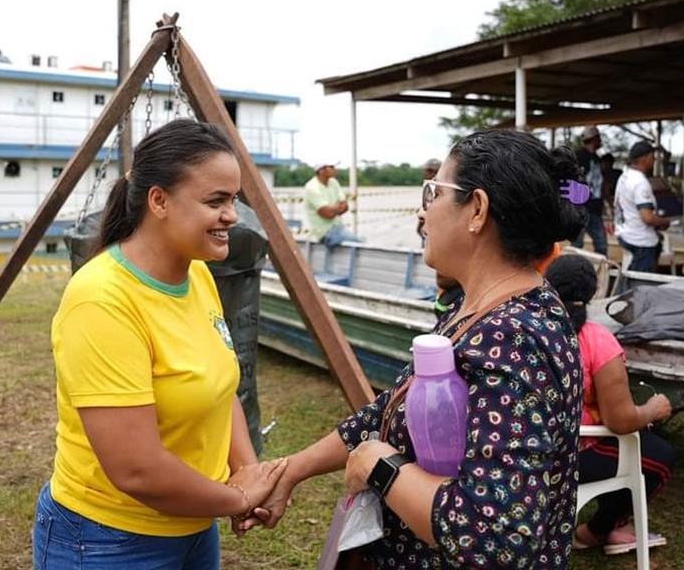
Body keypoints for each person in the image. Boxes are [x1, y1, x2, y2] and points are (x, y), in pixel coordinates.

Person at [244, 130, 588, 569]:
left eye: (434, 193)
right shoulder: (477, 308)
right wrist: (289, 470)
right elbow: (393, 409)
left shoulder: (513, 338)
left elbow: (494, 539)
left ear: (477, 210)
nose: (423, 212)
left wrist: (380, 465)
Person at [32, 119, 287, 569]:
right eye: (216, 201)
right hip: (108, 540)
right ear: (159, 201)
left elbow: (218, 386)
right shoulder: (102, 299)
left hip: (192, 526)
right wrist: (237, 496)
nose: (231, 215)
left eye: (233, 199)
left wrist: (247, 471)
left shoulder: (198, 276)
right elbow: (136, 469)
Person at [544, 255, 676, 556]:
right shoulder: (595, 338)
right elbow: (621, 421)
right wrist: (654, 409)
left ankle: (611, 527)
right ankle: (596, 531)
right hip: (569, 452)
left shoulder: (531, 329)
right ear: (592, 292)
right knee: (659, 456)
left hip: (524, 446)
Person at [614, 140, 671, 272]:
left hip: (624, 233)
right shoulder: (640, 182)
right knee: (641, 285)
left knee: (631, 278)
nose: (655, 159)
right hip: (639, 241)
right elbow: (648, 218)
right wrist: (664, 221)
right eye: (652, 156)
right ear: (644, 159)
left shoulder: (624, 177)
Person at [303, 162, 361, 247]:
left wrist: (333, 209)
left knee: (361, 240)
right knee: (358, 243)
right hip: (324, 233)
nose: (335, 169)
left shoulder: (333, 182)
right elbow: (327, 214)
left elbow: (345, 206)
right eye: (331, 167)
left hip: (339, 228)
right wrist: (338, 207)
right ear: (321, 171)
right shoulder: (311, 187)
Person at [572, 126, 608, 256]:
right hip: (581, 208)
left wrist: (605, 202)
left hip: (594, 207)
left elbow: (601, 183)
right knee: (577, 244)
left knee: (601, 244)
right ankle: (573, 270)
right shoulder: (578, 156)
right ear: (593, 139)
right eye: (598, 138)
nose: (600, 141)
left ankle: (603, 272)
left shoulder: (596, 158)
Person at [417, 158, 443, 245]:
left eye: (427, 171)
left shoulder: (436, 188)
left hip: (435, 231)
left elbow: (428, 209)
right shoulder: (430, 186)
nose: (425, 173)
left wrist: (419, 228)